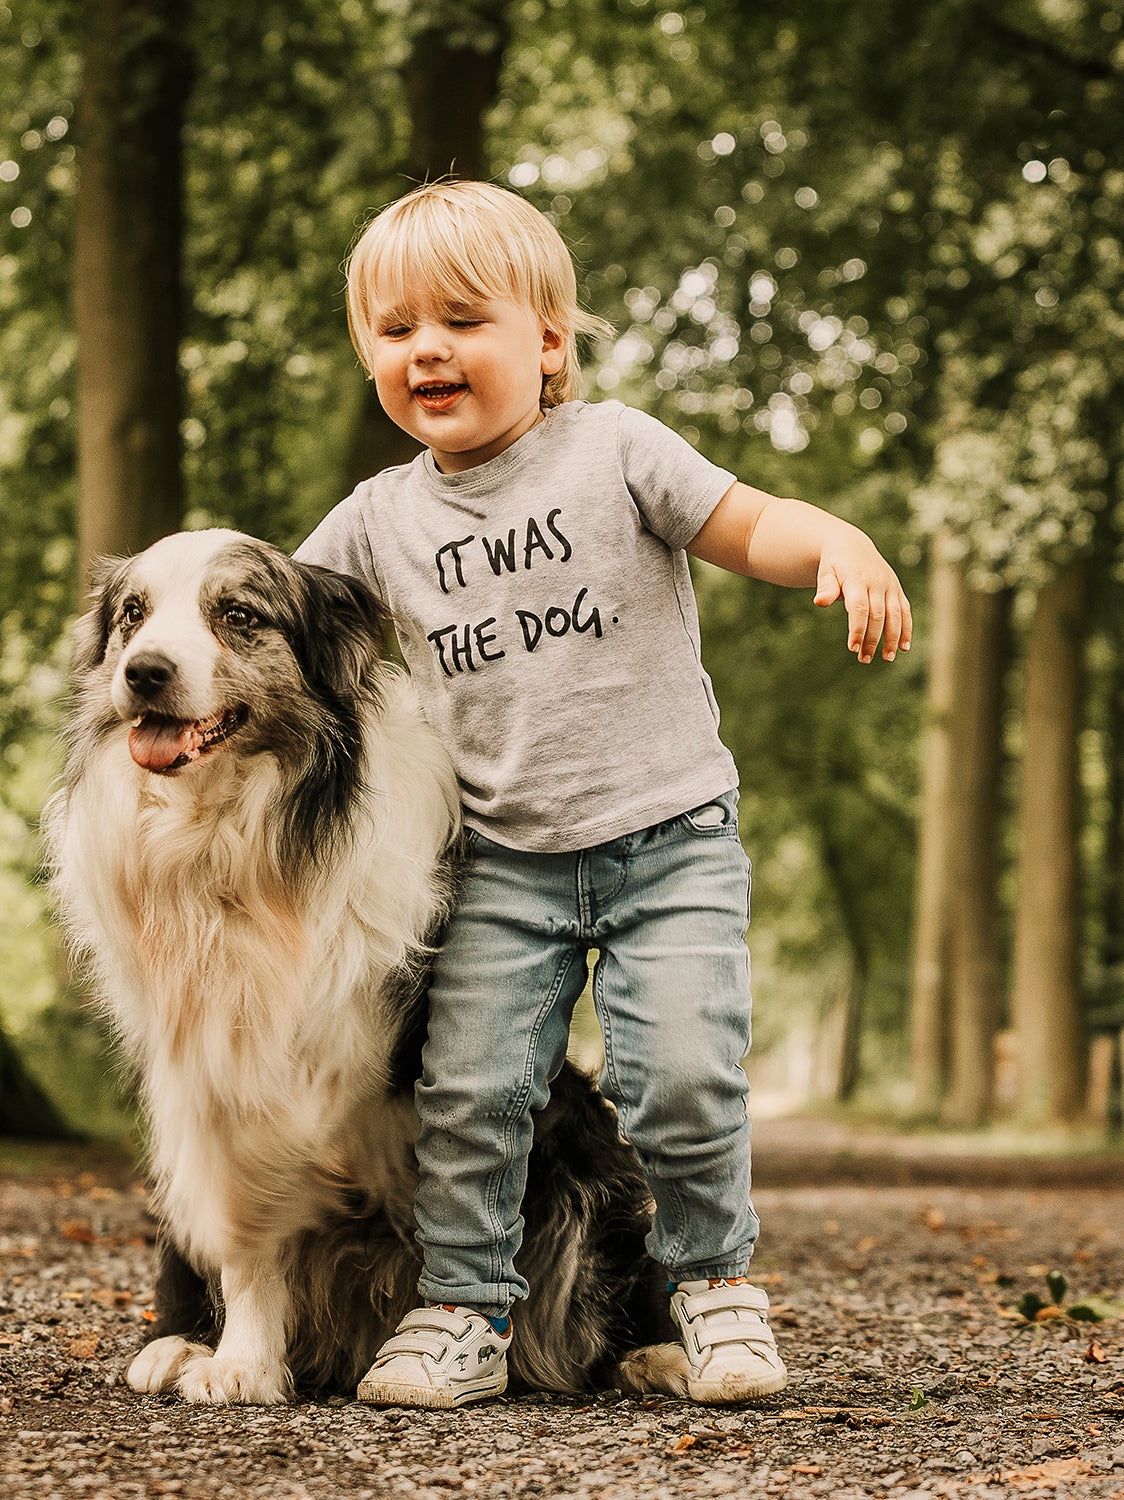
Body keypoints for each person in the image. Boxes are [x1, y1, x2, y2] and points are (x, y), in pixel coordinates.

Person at [295, 179, 910, 1408]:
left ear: (549, 343)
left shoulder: (617, 449)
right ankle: (463, 1310)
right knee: (472, 1092)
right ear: (370, 353)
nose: (429, 349)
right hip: (504, 858)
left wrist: (831, 542)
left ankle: (715, 1292)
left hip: (668, 836)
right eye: (398, 327)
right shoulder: (375, 522)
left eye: (464, 319)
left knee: (681, 1076)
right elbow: (275, 618)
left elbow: (748, 523)